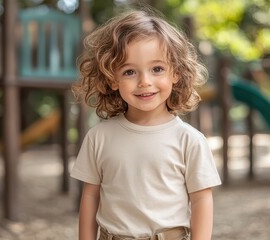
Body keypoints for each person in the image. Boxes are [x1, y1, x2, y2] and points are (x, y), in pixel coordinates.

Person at [71, 8, 221, 240]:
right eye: (130, 71)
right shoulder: (98, 137)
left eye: (157, 69)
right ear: (113, 79)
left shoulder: (189, 140)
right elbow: (90, 197)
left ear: (176, 73)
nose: (144, 82)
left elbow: (201, 199)